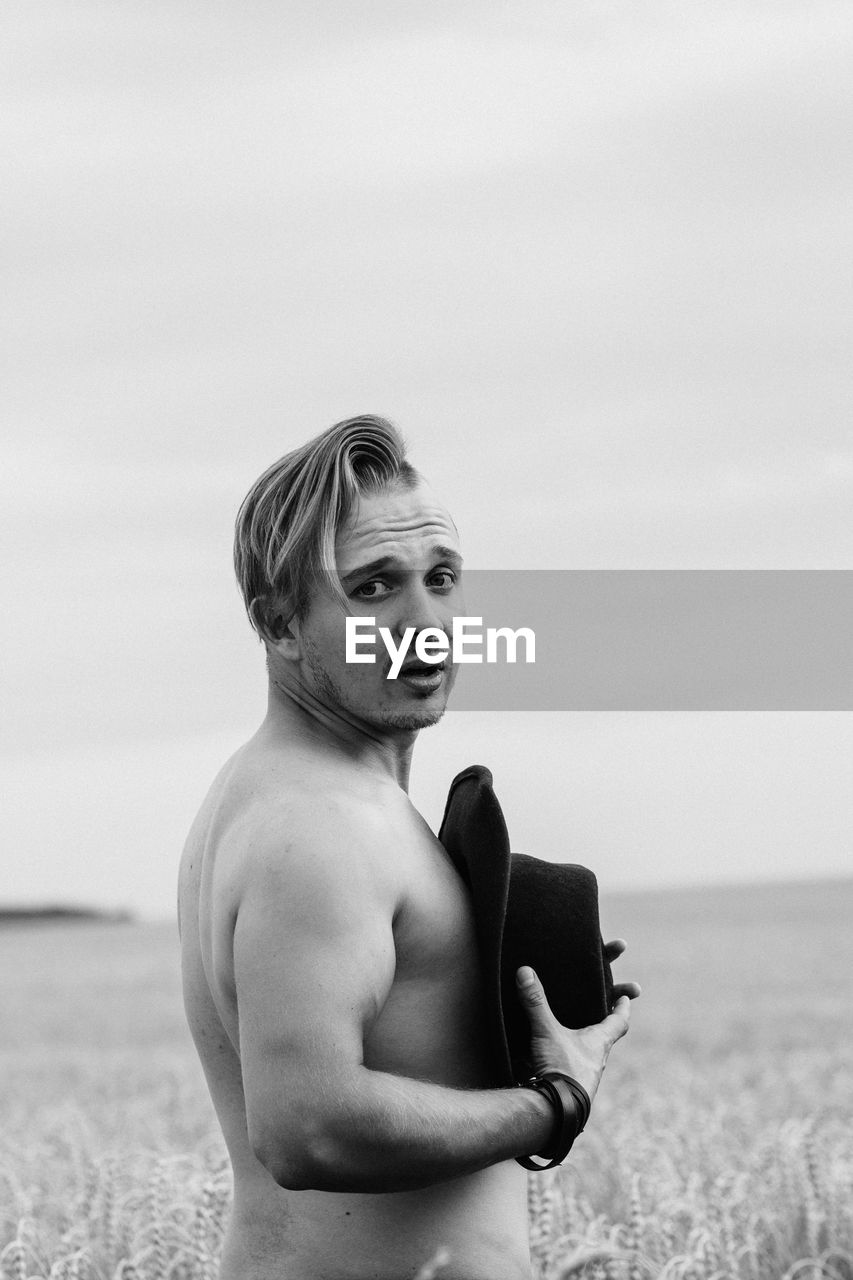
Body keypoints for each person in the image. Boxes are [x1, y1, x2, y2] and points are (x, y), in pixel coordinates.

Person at [178, 414, 640, 1280]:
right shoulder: (321, 826)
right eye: (374, 586)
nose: (427, 622)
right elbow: (309, 1128)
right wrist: (553, 1103)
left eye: (442, 577)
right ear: (279, 622)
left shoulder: (280, 797)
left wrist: (494, 996)